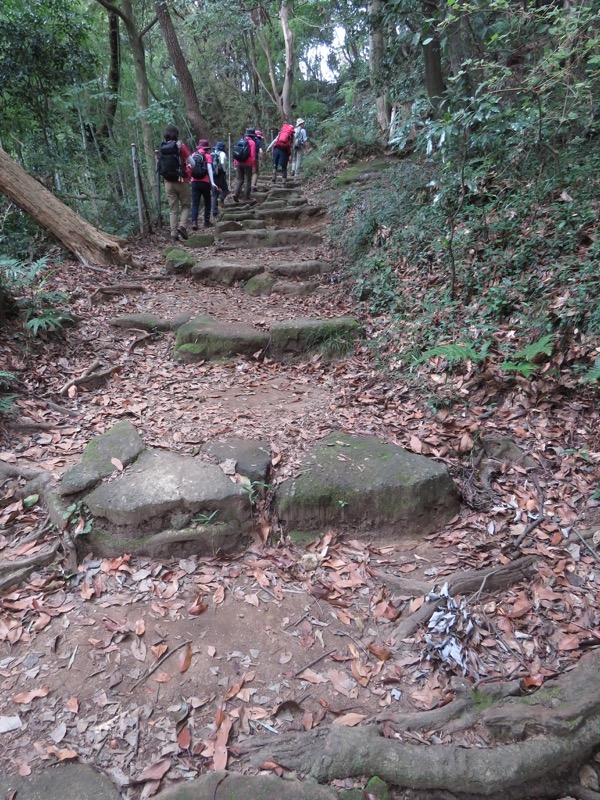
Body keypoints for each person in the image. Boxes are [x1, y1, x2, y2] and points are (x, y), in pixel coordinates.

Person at [158, 124, 191, 242]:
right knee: (186, 205)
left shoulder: (162, 147)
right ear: (177, 134)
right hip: (181, 180)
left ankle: (173, 234)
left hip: (167, 182)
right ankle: (182, 226)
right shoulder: (180, 146)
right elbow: (192, 162)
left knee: (173, 209)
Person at [188, 138, 217, 229]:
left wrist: (189, 179)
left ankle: (194, 222)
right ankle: (206, 222)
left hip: (194, 182)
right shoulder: (207, 156)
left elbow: (189, 167)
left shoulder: (193, 155)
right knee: (207, 202)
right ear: (206, 148)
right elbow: (209, 169)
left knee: (195, 203)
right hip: (205, 182)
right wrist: (212, 182)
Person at [266, 122, 294, 186]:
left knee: (275, 164)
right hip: (284, 151)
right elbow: (291, 146)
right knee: (284, 167)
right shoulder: (291, 136)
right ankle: (283, 182)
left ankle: (273, 178)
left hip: (277, 149)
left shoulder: (281, 133)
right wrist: (290, 156)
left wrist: (269, 148)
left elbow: (275, 141)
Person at [232, 128, 256, 202]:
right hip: (247, 163)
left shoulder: (240, 141)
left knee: (240, 179)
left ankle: (236, 194)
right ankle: (246, 197)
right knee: (248, 180)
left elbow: (236, 153)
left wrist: (235, 163)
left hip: (239, 162)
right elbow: (252, 155)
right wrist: (253, 166)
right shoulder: (252, 142)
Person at [211, 141, 229, 220]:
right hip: (220, 175)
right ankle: (221, 198)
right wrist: (225, 170)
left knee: (214, 194)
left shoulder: (212, 154)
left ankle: (214, 212)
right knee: (225, 190)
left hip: (213, 176)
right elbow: (222, 163)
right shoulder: (222, 154)